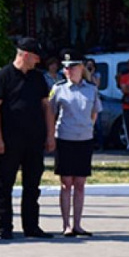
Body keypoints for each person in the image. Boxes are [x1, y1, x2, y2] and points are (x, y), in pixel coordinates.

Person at [0, 37, 56, 240]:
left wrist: (50, 134)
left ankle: (31, 226)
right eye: (36, 57)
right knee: (4, 185)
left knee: (32, 185)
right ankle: (5, 227)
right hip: (9, 141)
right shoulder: (3, 76)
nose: (38, 61)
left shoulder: (38, 78)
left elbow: (46, 107)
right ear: (25, 55)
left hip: (34, 140)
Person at [48, 49, 102, 237]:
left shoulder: (91, 89)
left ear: (80, 68)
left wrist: (86, 128)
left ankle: (78, 224)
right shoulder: (58, 89)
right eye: (66, 68)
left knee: (80, 183)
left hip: (84, 139)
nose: (69, 71)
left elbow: (94, 113)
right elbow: (51, 114)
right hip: (65, 138)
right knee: (66, 183)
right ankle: (66, 225)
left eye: (72, 67)